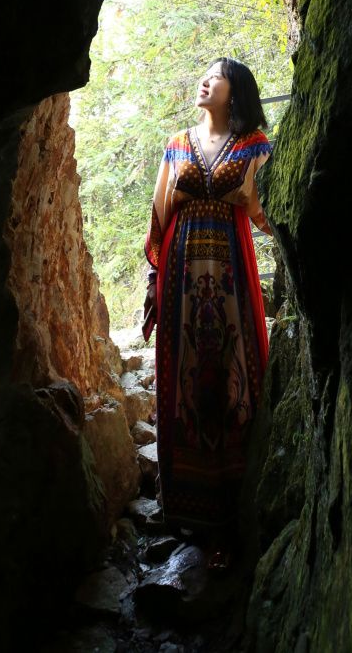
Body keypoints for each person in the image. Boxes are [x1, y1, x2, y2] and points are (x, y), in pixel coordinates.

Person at [141, 57, 272, 567]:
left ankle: (233, 509)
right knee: (188, 377)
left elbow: (266, 210)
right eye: (203, 73)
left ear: (234, 89)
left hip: (232, 274)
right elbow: (160, 211)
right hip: (181, 273)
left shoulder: (254, 146)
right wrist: (154, 278)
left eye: (215, 75)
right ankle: (187, 511)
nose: (204, 80)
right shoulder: (177, 143)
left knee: (232, 376)